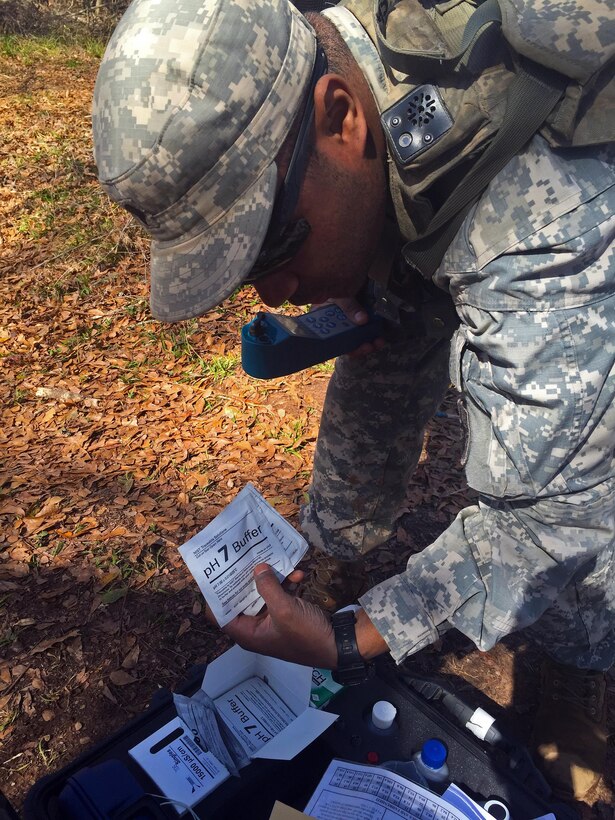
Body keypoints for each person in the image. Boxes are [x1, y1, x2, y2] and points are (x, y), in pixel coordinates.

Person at [92, 0, 614, 802]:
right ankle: (338, 555)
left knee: (579, 516)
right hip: (428, 207)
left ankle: (575, 675)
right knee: (383, 326)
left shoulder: (538, 242)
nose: (274, 290)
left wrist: (352, 638)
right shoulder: (339, 50)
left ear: (340, 117)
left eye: (274, 241)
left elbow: (550, 523)